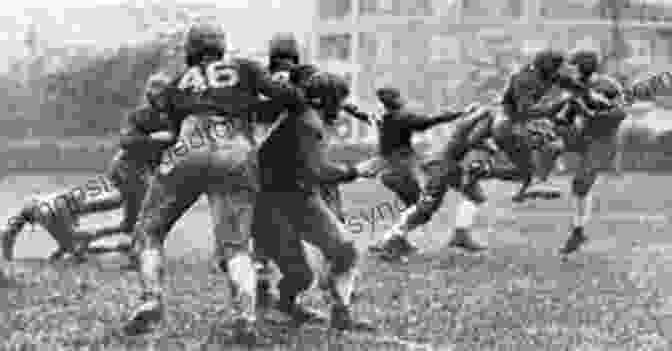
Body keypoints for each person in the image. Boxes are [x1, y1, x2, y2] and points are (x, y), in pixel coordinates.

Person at [123, 22, 306, 339]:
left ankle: (151, 298)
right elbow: (285, 100)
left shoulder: (178, 81)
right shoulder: (245, 67)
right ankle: (246, 317)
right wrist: (295, 88)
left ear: (190, 49)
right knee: (235, 246)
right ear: (222, 46)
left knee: (148, 232)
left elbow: (173, 121)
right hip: (235, 150)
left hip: (189, 145)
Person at [0, 72, 178, 263]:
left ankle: (132, 245)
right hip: (129, 169)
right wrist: (154, 139)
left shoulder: (169, 117)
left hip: (131, 171)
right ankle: (135, 247)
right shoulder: (142, 116)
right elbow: (127, 141)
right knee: (116, 222)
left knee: (115, 210)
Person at [251, 71, 373, 331]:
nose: (341, 108)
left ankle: (340, 310)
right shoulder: (308, 122)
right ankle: (285, 306)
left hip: (300, 196)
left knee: (345, 250)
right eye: (339, 101)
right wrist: (356, 171)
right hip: (270, 201)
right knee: (300, 273)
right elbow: (316, 171)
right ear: (327, 100)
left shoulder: (304, 115)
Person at [360, 87, 466, 257]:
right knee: (421, 209)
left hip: (388, 171)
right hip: (399, 170)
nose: (403, 99)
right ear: (396, 99)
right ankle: (389, 243)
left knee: (413, 206)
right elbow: (426, 122)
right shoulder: (402, 117)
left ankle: (397, 241)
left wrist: (346, 107)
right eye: (399, 96)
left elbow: (362, 115)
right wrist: (458, 114)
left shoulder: (381, 117)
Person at [558, 49, 628, 255]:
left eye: (576, 66)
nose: (573, 71)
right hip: (586, 138)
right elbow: (567, 116)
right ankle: (579, 231)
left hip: (604, 140)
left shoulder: (609, 85)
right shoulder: (576, 88)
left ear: (585, 67)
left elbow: (620, 113)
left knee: (581, 182)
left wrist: (591, 113)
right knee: (580, 184)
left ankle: (578, 231)